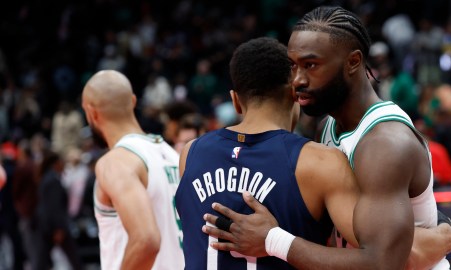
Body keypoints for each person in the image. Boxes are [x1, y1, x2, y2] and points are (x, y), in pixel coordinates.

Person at [203, 6, 451, 269]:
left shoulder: (385, 143)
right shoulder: (327, 126)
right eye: (293, 66)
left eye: (311, 65)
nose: (297, 80)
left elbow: (381, 263)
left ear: (353, 62)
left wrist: (272, 240)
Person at [175, 37, 360, 269]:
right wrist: (279, 242)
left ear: (235, 101)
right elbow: (377, 259)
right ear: (295, 92)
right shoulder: (320, 162)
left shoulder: (190, 153)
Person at [81, 70, 184, 269]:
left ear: (91, 112)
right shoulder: (173, 156)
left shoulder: (115, 162)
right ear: (133, 101)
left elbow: (146, 240)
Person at [33, 150, 83, 270]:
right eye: (61, 162)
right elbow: (54, 207)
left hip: (47, 225)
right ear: (55, 163)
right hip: (53, 226)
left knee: (42, 260)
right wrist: (59, 228)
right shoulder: (52, 180)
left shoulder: (48, 178)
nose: (63, 165)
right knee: (74, 259)